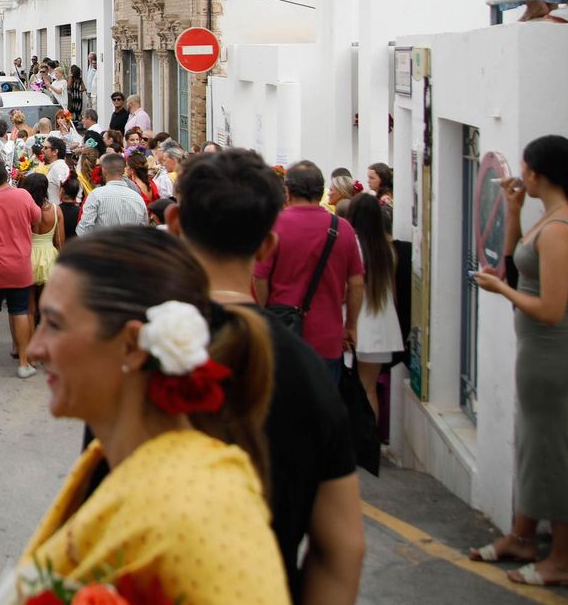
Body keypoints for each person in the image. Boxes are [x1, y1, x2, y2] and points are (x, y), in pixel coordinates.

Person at [0, 230, 285, 605]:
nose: (34, 349)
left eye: (54, 324)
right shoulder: (116, 458)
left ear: (132, 346)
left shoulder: (203, 512)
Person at [168, 149, 366, 602]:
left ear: (175, 223)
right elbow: (343, 549)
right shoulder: (307, 376)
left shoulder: (140, 352)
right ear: (265, 244)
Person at [471, 135, 568, 589]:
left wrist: (500, 290)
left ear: (539, 175)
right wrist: (514, 213)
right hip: (542, 352)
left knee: (552, 453)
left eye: (525, 170)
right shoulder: (553, 219)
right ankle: (523, 537)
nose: (520, 177)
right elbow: (518, 262)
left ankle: (564, 558)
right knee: (533, 444)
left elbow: (551, 308)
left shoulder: (563, 230)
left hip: (554, 353)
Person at [256, 161, 363, 382]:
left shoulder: (274, 226)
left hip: (283, 337)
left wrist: (262, 319)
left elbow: (260, 279)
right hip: (328, 338)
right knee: (323, 411)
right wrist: (351, 325)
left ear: (288, 191)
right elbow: (356, 283)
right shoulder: (342, 228)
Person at [0, 159, 41, 379]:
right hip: (20, 264)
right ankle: (23, 363)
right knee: (20, 311)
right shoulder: (23, 195)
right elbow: (37, 218)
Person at [347, 193, 402, 419]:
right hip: (381, 325)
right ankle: (372, 443)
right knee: (369, 389)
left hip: (358, 323)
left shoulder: (355, 246)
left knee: (352, 390)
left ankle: (357, 443)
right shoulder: (387, 250)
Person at [23, 173, 63, 329]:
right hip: (49, 257)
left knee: (29, 305)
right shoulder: (55, 210)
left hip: (28, 256)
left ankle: (28, 341)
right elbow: (60, 241)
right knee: (46, 304)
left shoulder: (25, 210)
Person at [76, 155, 148, 235]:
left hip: (103, 245)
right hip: (129, 246)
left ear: (104, 170)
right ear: (123, 170)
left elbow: (84, 229)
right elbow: (144, 230)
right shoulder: (138, 198)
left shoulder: (96, 195)